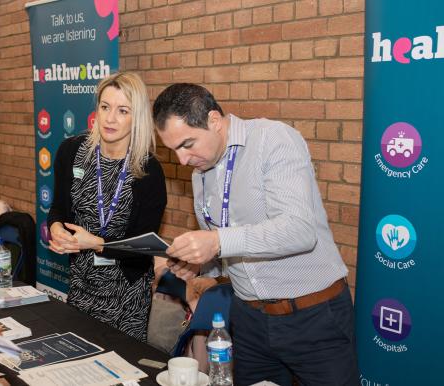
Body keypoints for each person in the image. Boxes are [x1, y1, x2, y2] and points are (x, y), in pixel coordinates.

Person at [152, 83, 359, 385]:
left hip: (312, 316)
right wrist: (198, 263)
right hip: (249, 320)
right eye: (174, 150)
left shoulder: (272, 140)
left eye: (187, 144)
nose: (183, 160)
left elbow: (299, 229)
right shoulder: (201, 172)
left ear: (214, 120)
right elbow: (230, 251)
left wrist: (217, 241)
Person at [47, 72, 166, 341]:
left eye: (122, 110)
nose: (110, 118)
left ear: (137, 117)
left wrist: (97, 243)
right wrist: (55, 227)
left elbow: (144, 246)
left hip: (126, 294)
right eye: (105, 107)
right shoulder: (71, 152)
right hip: (81, 284)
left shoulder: (149, 171)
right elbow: (58, 209)